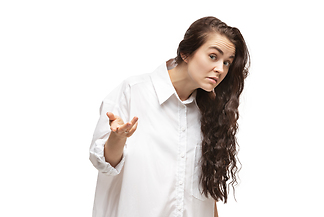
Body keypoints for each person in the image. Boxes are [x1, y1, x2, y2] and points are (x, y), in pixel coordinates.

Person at [89, 16, 250, 217]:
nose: (220, 69)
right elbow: (104, 164)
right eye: (213, 57)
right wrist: (118, 138)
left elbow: (206, 192)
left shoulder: (210, 111)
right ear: (185, 53)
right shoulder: (134, 92)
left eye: (227, 62)